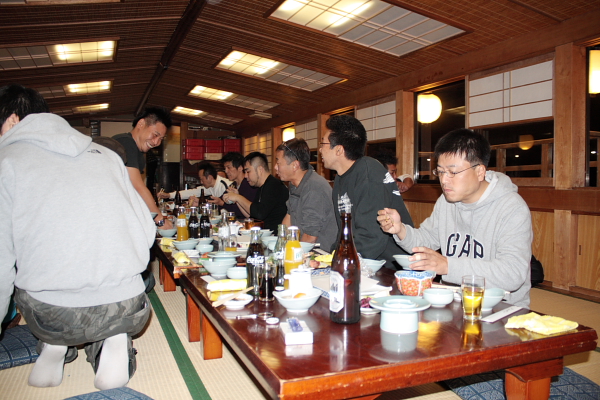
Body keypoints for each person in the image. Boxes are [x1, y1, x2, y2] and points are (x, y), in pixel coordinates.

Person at [0, 84, 155, 389]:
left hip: (50, 314)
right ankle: (114, 338)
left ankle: (54, 344)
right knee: (125, 290)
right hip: (127, 306)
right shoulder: (107, 156)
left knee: (33, 285)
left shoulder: (7, 160)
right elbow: (147, 232)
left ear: (14, 120)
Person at [377, 128, 533, 307]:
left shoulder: (511, 208)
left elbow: (512, 274)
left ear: (480, 171)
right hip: (454, 301)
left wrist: (448, 266)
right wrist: (400, 230)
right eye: (440, 172)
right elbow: (426, 239)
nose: (444, 180)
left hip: (501, 308)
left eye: (452, 172)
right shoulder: (446, 201)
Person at [320, 115, 414, 269]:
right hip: (362, 263)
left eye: (323, 143)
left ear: (338, 150)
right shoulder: (340, 178)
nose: (320, 149)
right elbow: (344, 232)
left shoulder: (369, 173)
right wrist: (332, 256)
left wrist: (338, 262)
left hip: (389, 268)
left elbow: (372, 237)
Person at [113, 107, 173, 228]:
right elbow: (137, 186)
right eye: (155, 135)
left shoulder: (136, 150)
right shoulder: (126, 143)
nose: (156, 142)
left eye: (161, 139)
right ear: (141, 124)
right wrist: (160, 220)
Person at [275, 138, 337, 251]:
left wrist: (291, 255)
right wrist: (280, 247)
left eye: (278, 163)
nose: (275, 167)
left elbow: (310, 236)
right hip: (305, 250)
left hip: (321, 254)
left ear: (295, 165)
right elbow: (289, 218)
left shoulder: (314, 188)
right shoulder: (295, 184)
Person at [223, 152, 288, 232]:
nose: (245, 176)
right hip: (265, 234)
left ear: (260, 169)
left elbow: (259, 214)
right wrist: (237, 199)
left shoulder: (273, 185)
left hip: (275, 235)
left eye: (248, 171)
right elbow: (250, 215)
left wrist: (238, 197)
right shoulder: (261, 186)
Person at [209, 152, 258, 218]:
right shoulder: (233, 185)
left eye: (229, 168)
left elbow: (246, 212)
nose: (226, 171)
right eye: (225, 168)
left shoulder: (250, 185)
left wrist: (222, 203)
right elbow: (220, 200)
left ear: (240, 168)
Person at [159, 161, 231, 204]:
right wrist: (169, 195)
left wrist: (201, 202)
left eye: (202, 179)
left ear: (209, 177)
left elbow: (227, 207)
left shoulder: (225, 186)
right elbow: (192, 192)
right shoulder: (211, 185)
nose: (201, 182)